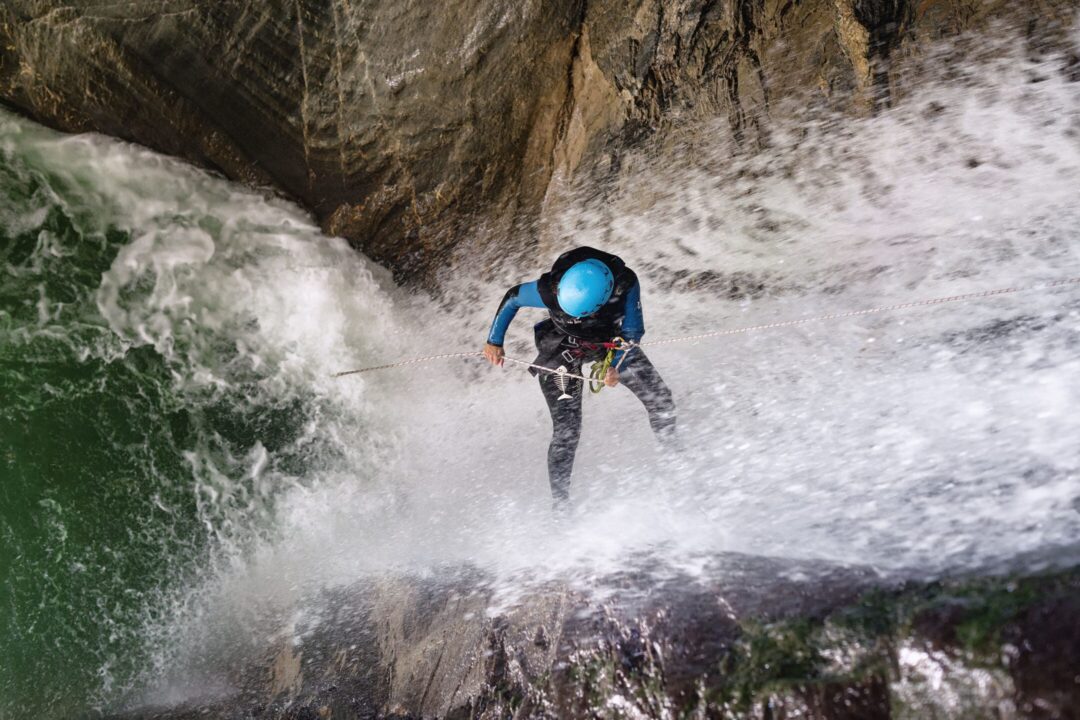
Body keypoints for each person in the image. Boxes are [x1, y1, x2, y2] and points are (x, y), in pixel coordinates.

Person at [482, 246, 677, 507]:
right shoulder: (549, 289)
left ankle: (675, 459)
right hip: (562, 345)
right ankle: (560, 505)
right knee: (567, 431)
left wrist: (615, 366)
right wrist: (494, 340)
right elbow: (513, 298)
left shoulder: (624, 285)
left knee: (661, 399)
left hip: (611, 344)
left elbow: (632, 333)